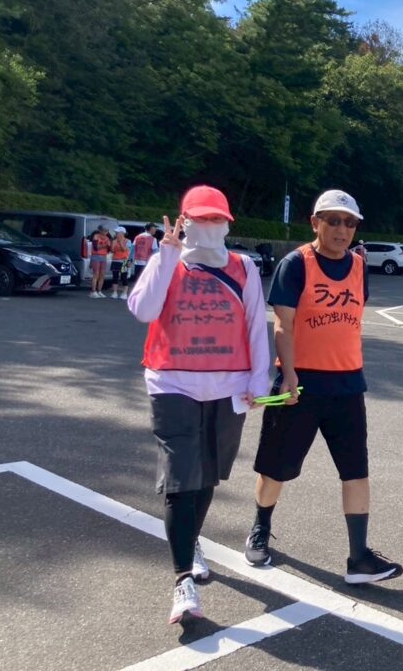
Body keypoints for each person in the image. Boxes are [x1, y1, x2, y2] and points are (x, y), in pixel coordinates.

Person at [128, 185, 270, 624]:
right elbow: (143, 310)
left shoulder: (243, 267)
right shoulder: (166, 261)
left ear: (227, 223)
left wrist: (259, 381)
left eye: (216, 219)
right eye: (201, 219)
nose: (209, 226)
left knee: (207, 475)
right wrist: (167, 255)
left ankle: (190, 542)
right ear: (184, 221)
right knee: (179, 480)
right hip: (172, 383)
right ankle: (182, 581)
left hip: (229, 386)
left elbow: (256, 325)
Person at [244, 189, 402, 585]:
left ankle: (359, 557)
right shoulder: (296, 264)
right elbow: (283, 324)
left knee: (356, 471)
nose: (342, 229)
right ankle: (260, 527)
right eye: (333, 220)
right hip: (301, 384)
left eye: (349, 223)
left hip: (348, 384)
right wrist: (289, 373)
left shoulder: (359, 266)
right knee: (276, 466)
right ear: (315, 223)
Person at [109, 226, 132, 299]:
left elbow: (124, 249)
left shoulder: (128, 241)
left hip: (124, 261)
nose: (116, 234)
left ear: (122, 233)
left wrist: (120, 242)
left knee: (124, 277)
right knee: (115, 277)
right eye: (116, 232)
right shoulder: (114, 241)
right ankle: (114, 292)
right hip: (115, 260)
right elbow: (112, 251)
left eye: (118, 232)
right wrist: (113, 244)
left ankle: (124, 293)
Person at [89, 224, 111, 297]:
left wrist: (104, 246)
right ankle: (93, 291)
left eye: (107, 231)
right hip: (96, 256)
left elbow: (109, 248)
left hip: (103, 256)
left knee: (102, 274)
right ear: (100, 231)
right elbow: (96, 247)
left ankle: (99, 290)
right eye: (104, 231)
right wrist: (105, 246)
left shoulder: (107, 238)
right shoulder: (96, 236)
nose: (106, 232)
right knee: (96, 274)